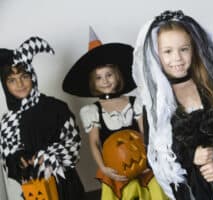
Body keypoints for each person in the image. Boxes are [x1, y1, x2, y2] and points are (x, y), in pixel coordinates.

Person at [132, 10, 213, 200]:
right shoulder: (156, 107)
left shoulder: (212, 90)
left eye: (184, 49)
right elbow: (157, 159)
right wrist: (191, 156)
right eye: (168, 51)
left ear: (194, 49)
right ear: (156, 55)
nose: (177, 58)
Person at [62, 27, 168, 200]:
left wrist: (150, 160)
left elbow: (144, 133)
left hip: (143, 164)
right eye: (99, 77)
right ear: (93, 82)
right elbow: (95, 143)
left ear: (117, 76)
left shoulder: (134, 103)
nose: (105, 81)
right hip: (115, 168)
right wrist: (103, 168)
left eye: (109, 75)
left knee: (155, 188)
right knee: (126, 193)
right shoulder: (93, 111)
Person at [0, 37, 84, 199]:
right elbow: (9, 158)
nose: (19, 84)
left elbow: (73, 144)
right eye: (12, 80)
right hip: (35, 189)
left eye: (24, 76)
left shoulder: (57, 108)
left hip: (66, 186)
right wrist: (20, 160)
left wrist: (46, 157)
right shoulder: (7, 121)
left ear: (32, 76)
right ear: (6, 86)